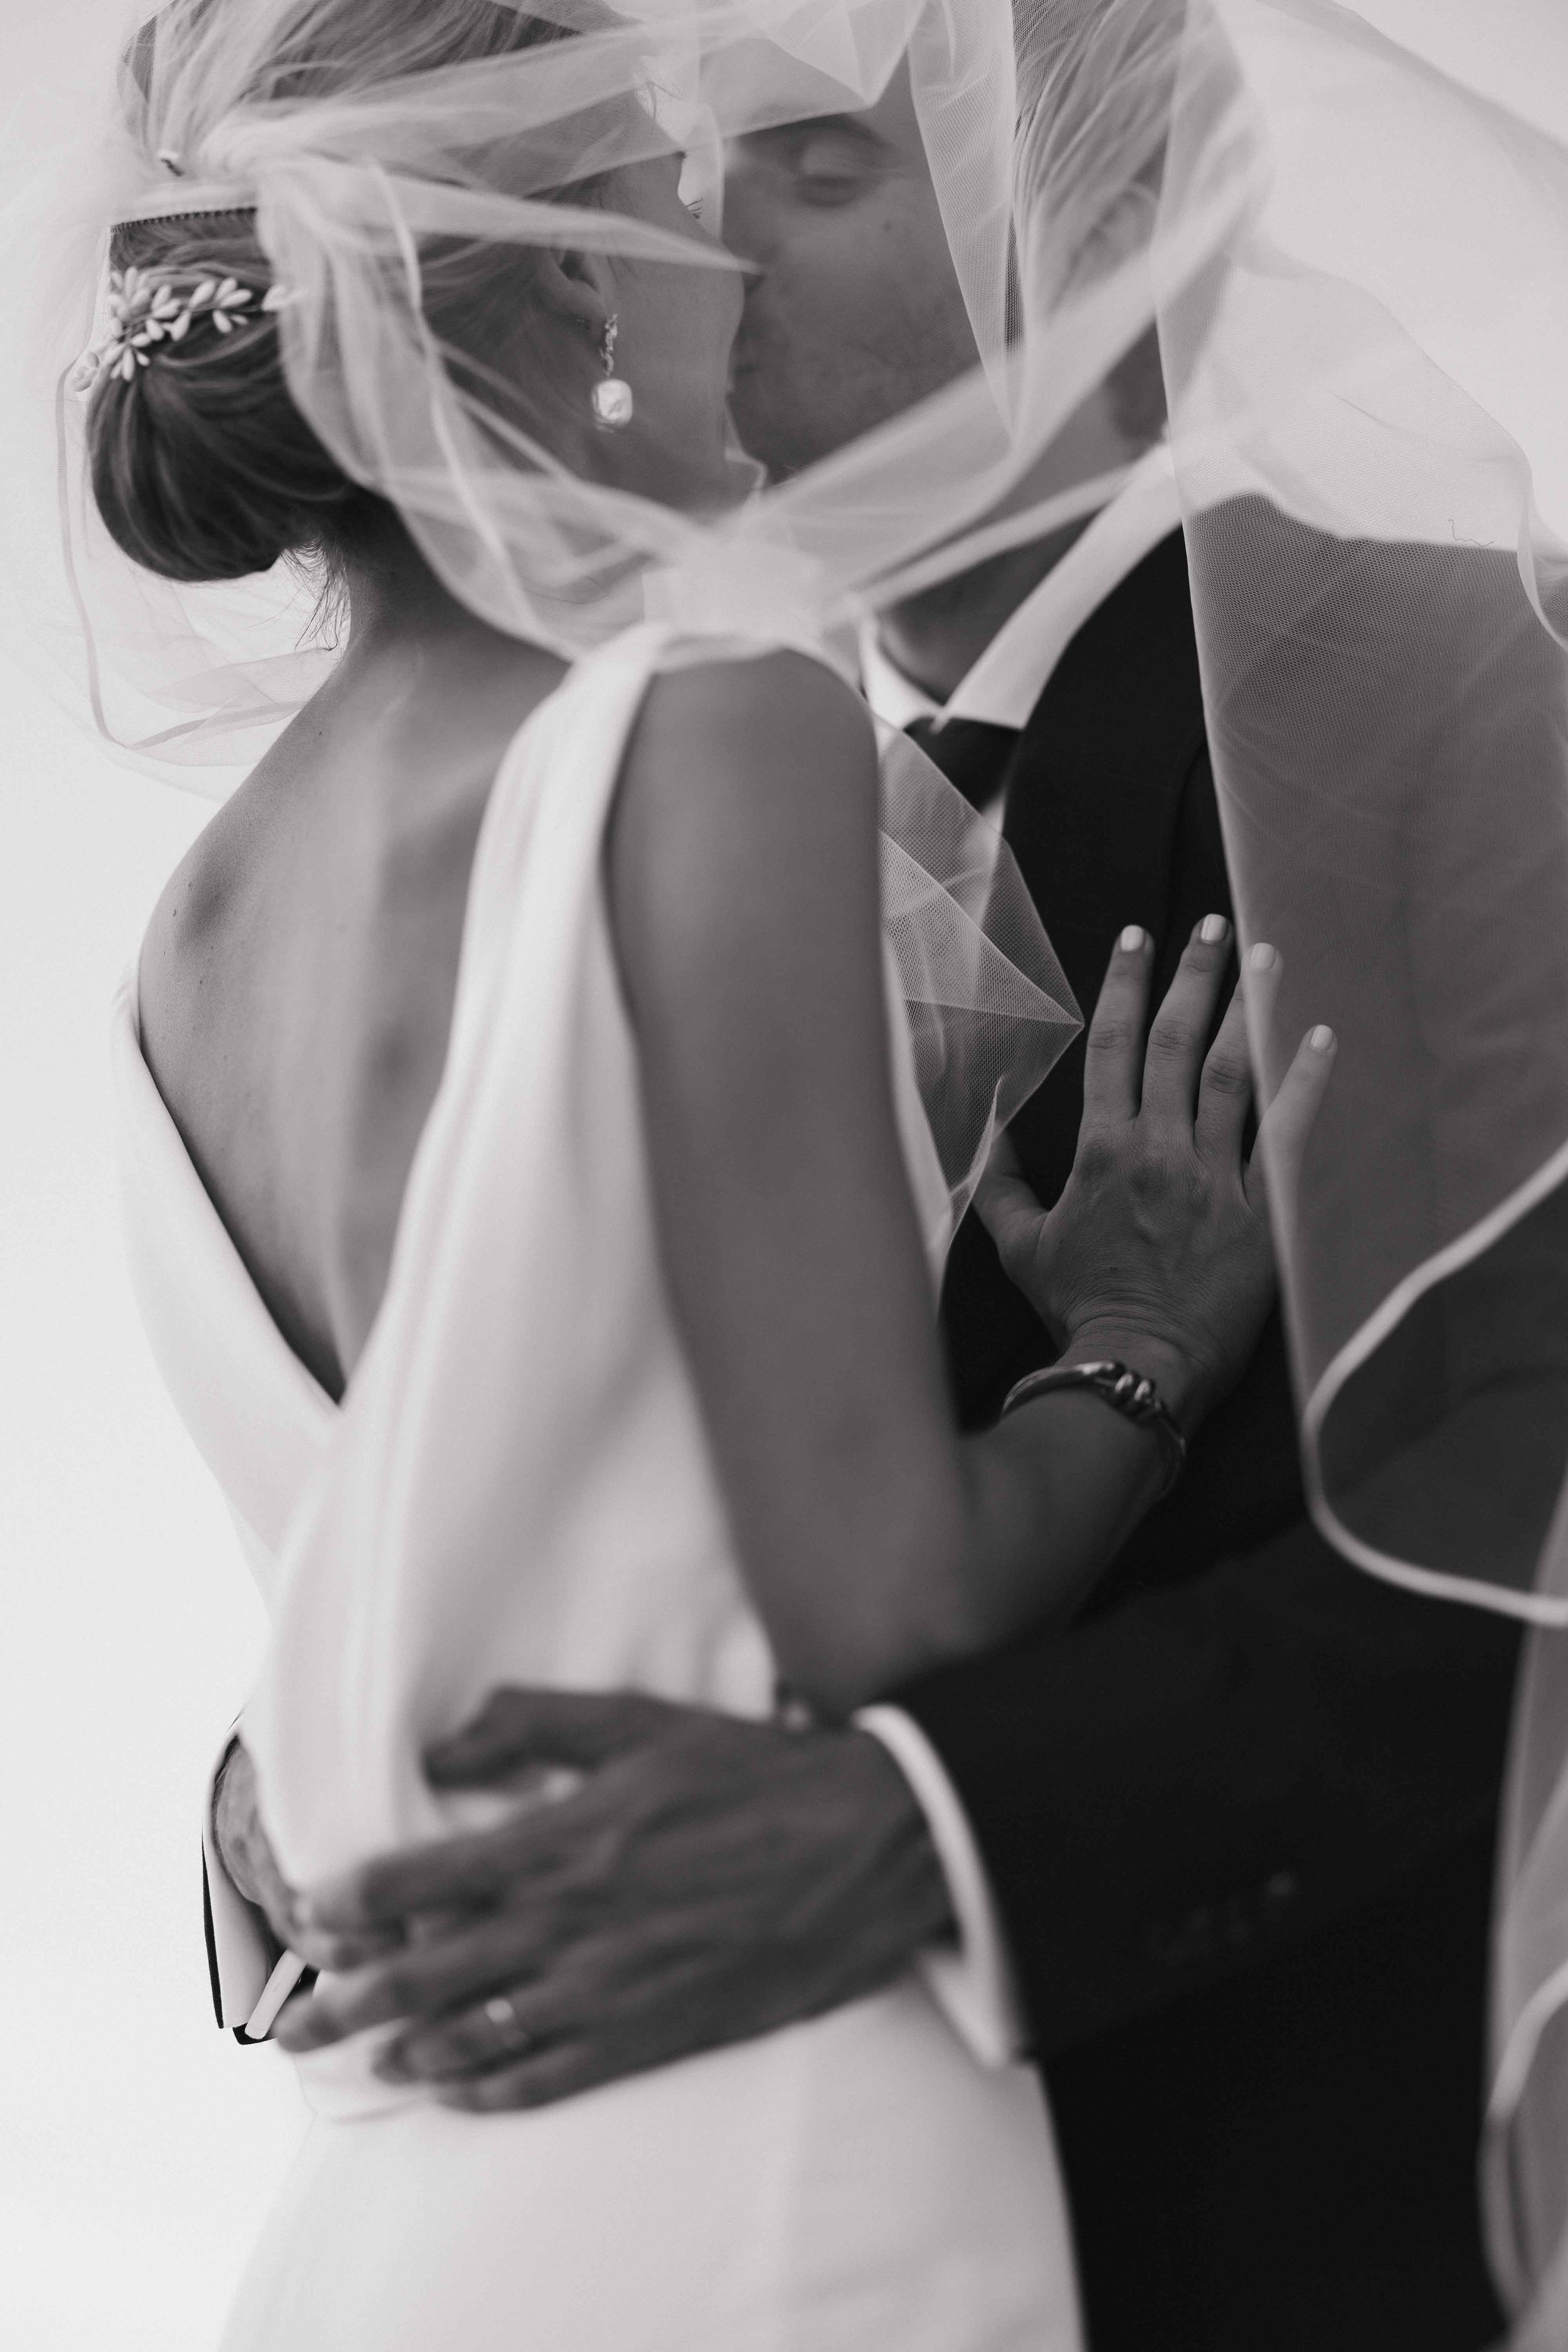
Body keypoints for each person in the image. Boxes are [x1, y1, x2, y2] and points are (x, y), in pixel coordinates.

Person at [221, 43, 1529, 2352]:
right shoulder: (596, 795)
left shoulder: (1475, 683)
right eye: (675, 169)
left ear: (1122, 235)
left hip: (1290, 2229)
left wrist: (933, 1834)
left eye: (814, 170)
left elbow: (1533, 1481)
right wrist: (309, 1804)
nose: (685, 236)